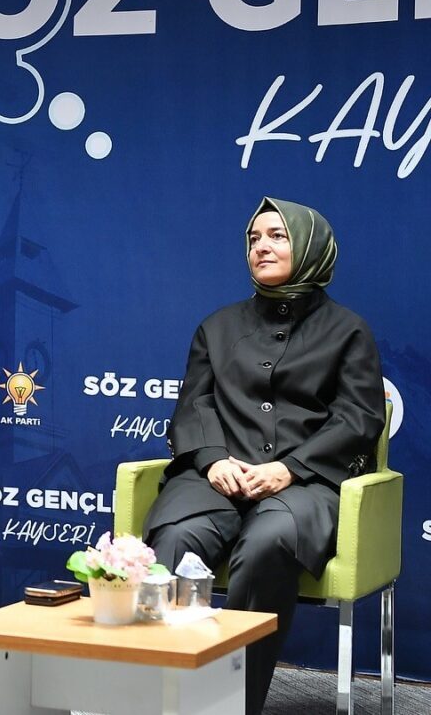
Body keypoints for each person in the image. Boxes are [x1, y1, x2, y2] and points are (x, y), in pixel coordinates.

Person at [144, 196, 385, 715]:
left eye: (278, 236)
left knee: (268, 543)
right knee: (177, 538)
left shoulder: (348, 331)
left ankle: (231, 704)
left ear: (312, 247)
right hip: (216, 478)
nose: (262, 246)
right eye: (254, 238)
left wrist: (289, 469)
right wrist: (213, 460)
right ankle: (163, 699)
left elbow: (359, 418)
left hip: (305, 484)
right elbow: (194, 405)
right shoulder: (216, 327)